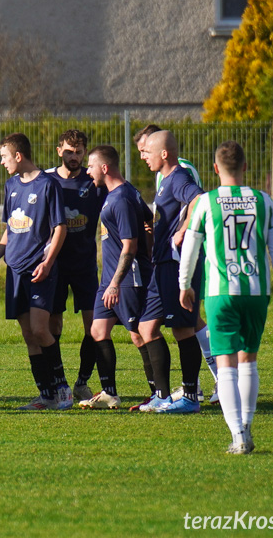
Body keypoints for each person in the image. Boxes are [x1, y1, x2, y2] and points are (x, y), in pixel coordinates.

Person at [178, 140, 273, 453]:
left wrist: (184, 284)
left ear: (215, 169)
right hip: (256, 292)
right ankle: (247, 426)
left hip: (220, 292)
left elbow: (190, 246)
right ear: (245, 167)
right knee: (248, 361)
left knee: (225, 363)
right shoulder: (264, 201)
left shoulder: (206, 202)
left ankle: (238, 436)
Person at [0, 132, 69, 411]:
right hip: (14, 270)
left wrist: (48, 262)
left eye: (4, 157)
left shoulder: (48, 185)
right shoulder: (11, 185)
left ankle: (62, 387)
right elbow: (10, 228)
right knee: (28, 334)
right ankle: (46, 394)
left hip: (39, 269)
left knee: (41, 329)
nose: (2, 162)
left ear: (18, 155)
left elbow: (59, 228)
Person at [135, 124, 217, 403]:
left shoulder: (179, 176)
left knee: (183, 328)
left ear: (165, 153)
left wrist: (183, 230)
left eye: (149, 152)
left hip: (176, 263)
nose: (145, 156)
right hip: (161, 264)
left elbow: (199, 198)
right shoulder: (165, 179)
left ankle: (192, 396)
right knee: (146, 328)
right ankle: (162, 396)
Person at [80, 145, 153, 409]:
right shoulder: (124, 192)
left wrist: (115, 283)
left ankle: (159, 393)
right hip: (109, 280)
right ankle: (109, 393)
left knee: (139, 334)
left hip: (125, 279)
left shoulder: (121, 198)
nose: (88, 171)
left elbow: (130, 246)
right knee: (98, 330)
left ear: (104, 167)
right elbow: (149, 219)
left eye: (91, 166)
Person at [45, 129, 105, 403]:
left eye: (79, 152)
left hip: (84, 266)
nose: (74, 156)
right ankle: (60, 382)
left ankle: (82, 381)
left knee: (94, 327)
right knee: (53, 324)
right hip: (54, 266)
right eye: (69, 151)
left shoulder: (94, 182)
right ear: (60, 151)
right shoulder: (46, 181)